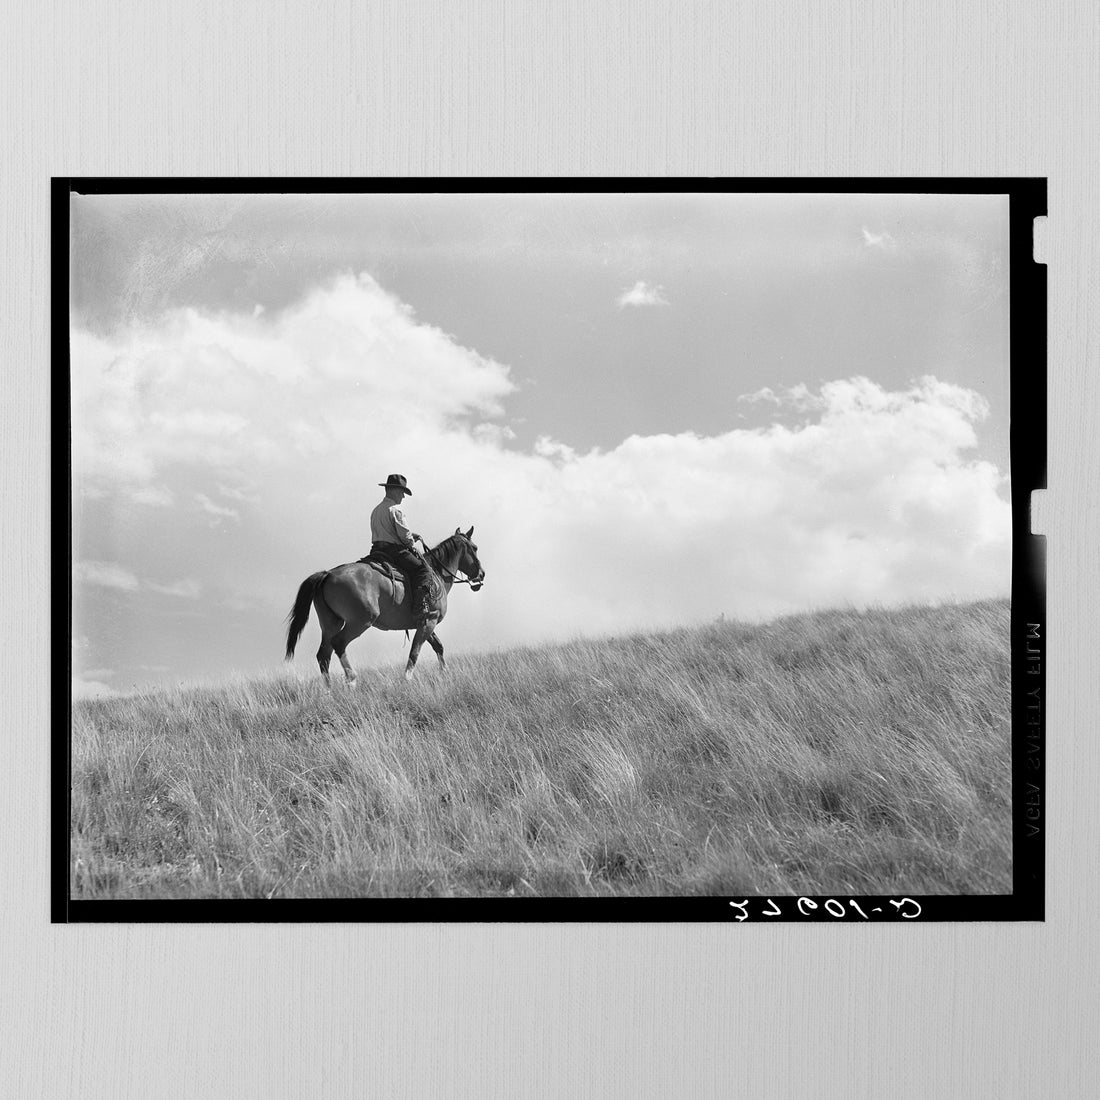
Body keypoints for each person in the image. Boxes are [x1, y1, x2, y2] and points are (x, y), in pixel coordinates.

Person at [369, 473, 435, 624]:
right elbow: (405, 538)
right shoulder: (395, 511)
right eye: (402, 493)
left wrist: (410, 535)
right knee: (424, 571)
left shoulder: (376, 510)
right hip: (394, 551)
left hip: (376, 551)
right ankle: (420, 608)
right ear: (394, 491)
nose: (403, 497)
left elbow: (387, 531)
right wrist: (412, 543)